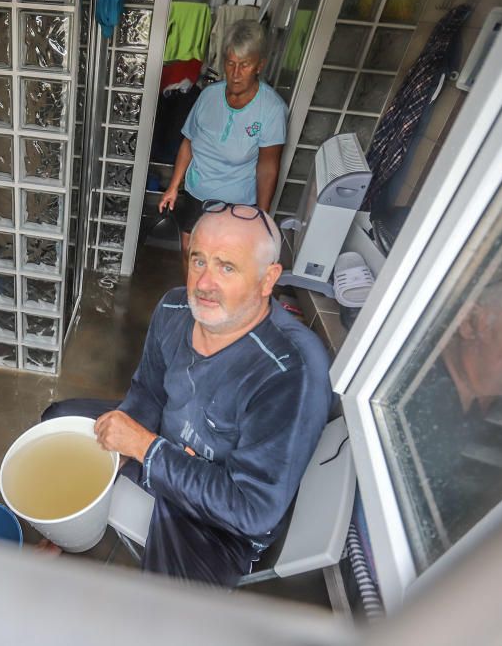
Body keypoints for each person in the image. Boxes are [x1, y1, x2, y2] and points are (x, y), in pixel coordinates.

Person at [41, 205, 332, 586]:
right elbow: (147, 391)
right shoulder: (175, 306)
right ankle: (69, 527)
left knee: (169, 602)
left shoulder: (289, 370)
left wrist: (147, 449)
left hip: (223, 519)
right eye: (199, 261)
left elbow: (252, 510)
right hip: (163, 446)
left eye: (227, 267)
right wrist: (124, 441)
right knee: (57, 424)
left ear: (268, 279)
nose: (204, 283)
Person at [158, 20, 288, 259]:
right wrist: (174, 186)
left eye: (244, 65)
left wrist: (262, 215)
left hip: (236, 204)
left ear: (259, 66)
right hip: (198, 193)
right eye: (230, 64)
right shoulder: (208, 96)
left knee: (223, 259)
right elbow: (189, 142)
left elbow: (268, 166)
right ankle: (191, 296)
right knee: (191, 251)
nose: (235, 74)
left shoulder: (271, 109)